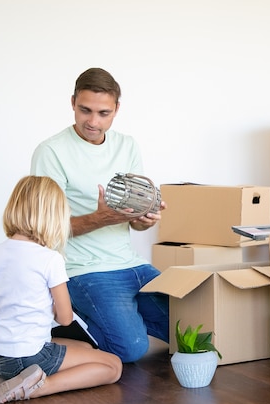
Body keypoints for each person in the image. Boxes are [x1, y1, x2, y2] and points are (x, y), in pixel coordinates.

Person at [30, 68, 169, 363]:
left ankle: (121, 319)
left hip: (132, 264)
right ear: (72, 103)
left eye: (103, 113)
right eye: (85, 110)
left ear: (117, 109)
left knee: (191, 327)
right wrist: (99, 218)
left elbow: (133, 220)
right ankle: (73, 325)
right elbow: (42, 230)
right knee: (130, 350)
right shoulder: (51, 152)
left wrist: (143, 219)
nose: (93, 122)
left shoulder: (127, 145)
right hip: (84, 270)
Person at [0, 176, 122, 404]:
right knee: (113, 366)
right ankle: (35, 388)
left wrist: (0, 321)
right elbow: (64, 319)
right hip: (31, 355)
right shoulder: (49, 259)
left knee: (84, 348)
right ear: (53, 217)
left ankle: (13, 379)